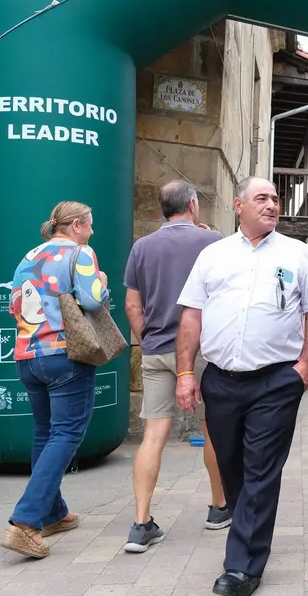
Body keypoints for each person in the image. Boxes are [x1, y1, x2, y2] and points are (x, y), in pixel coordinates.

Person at [175, 176, 308, 596]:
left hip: (276, 381)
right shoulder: (213, 255)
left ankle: (242, 566)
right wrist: (186, 373)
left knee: (262, 469)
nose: (272, 204)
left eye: (276, 199)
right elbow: (191, 316)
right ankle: (249, 531)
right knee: (231, 465)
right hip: (222, 380)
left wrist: (304, 367)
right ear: (238, 205)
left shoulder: (298, 255)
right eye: (262, 198)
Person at [122, 181, 230, 554]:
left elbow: (132, 306)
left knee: (153, 435)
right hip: (200, 351)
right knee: (211, 428)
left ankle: (140, 523)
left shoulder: (142, 247)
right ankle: (219, 508)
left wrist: (147, 338)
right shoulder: (212, 241)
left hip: (155, 351)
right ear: (193, 205)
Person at [1, 201, 108, 559]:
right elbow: (94, 302)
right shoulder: (80, 252)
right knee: (66, 434)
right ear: (76, 225)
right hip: (66, 354)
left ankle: (53, 513)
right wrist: (103, 285)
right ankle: (26, 523)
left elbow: (13, 306)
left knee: (45, 433)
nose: (92, 232)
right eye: (89, 225)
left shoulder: (28, 256)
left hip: (27, 356)